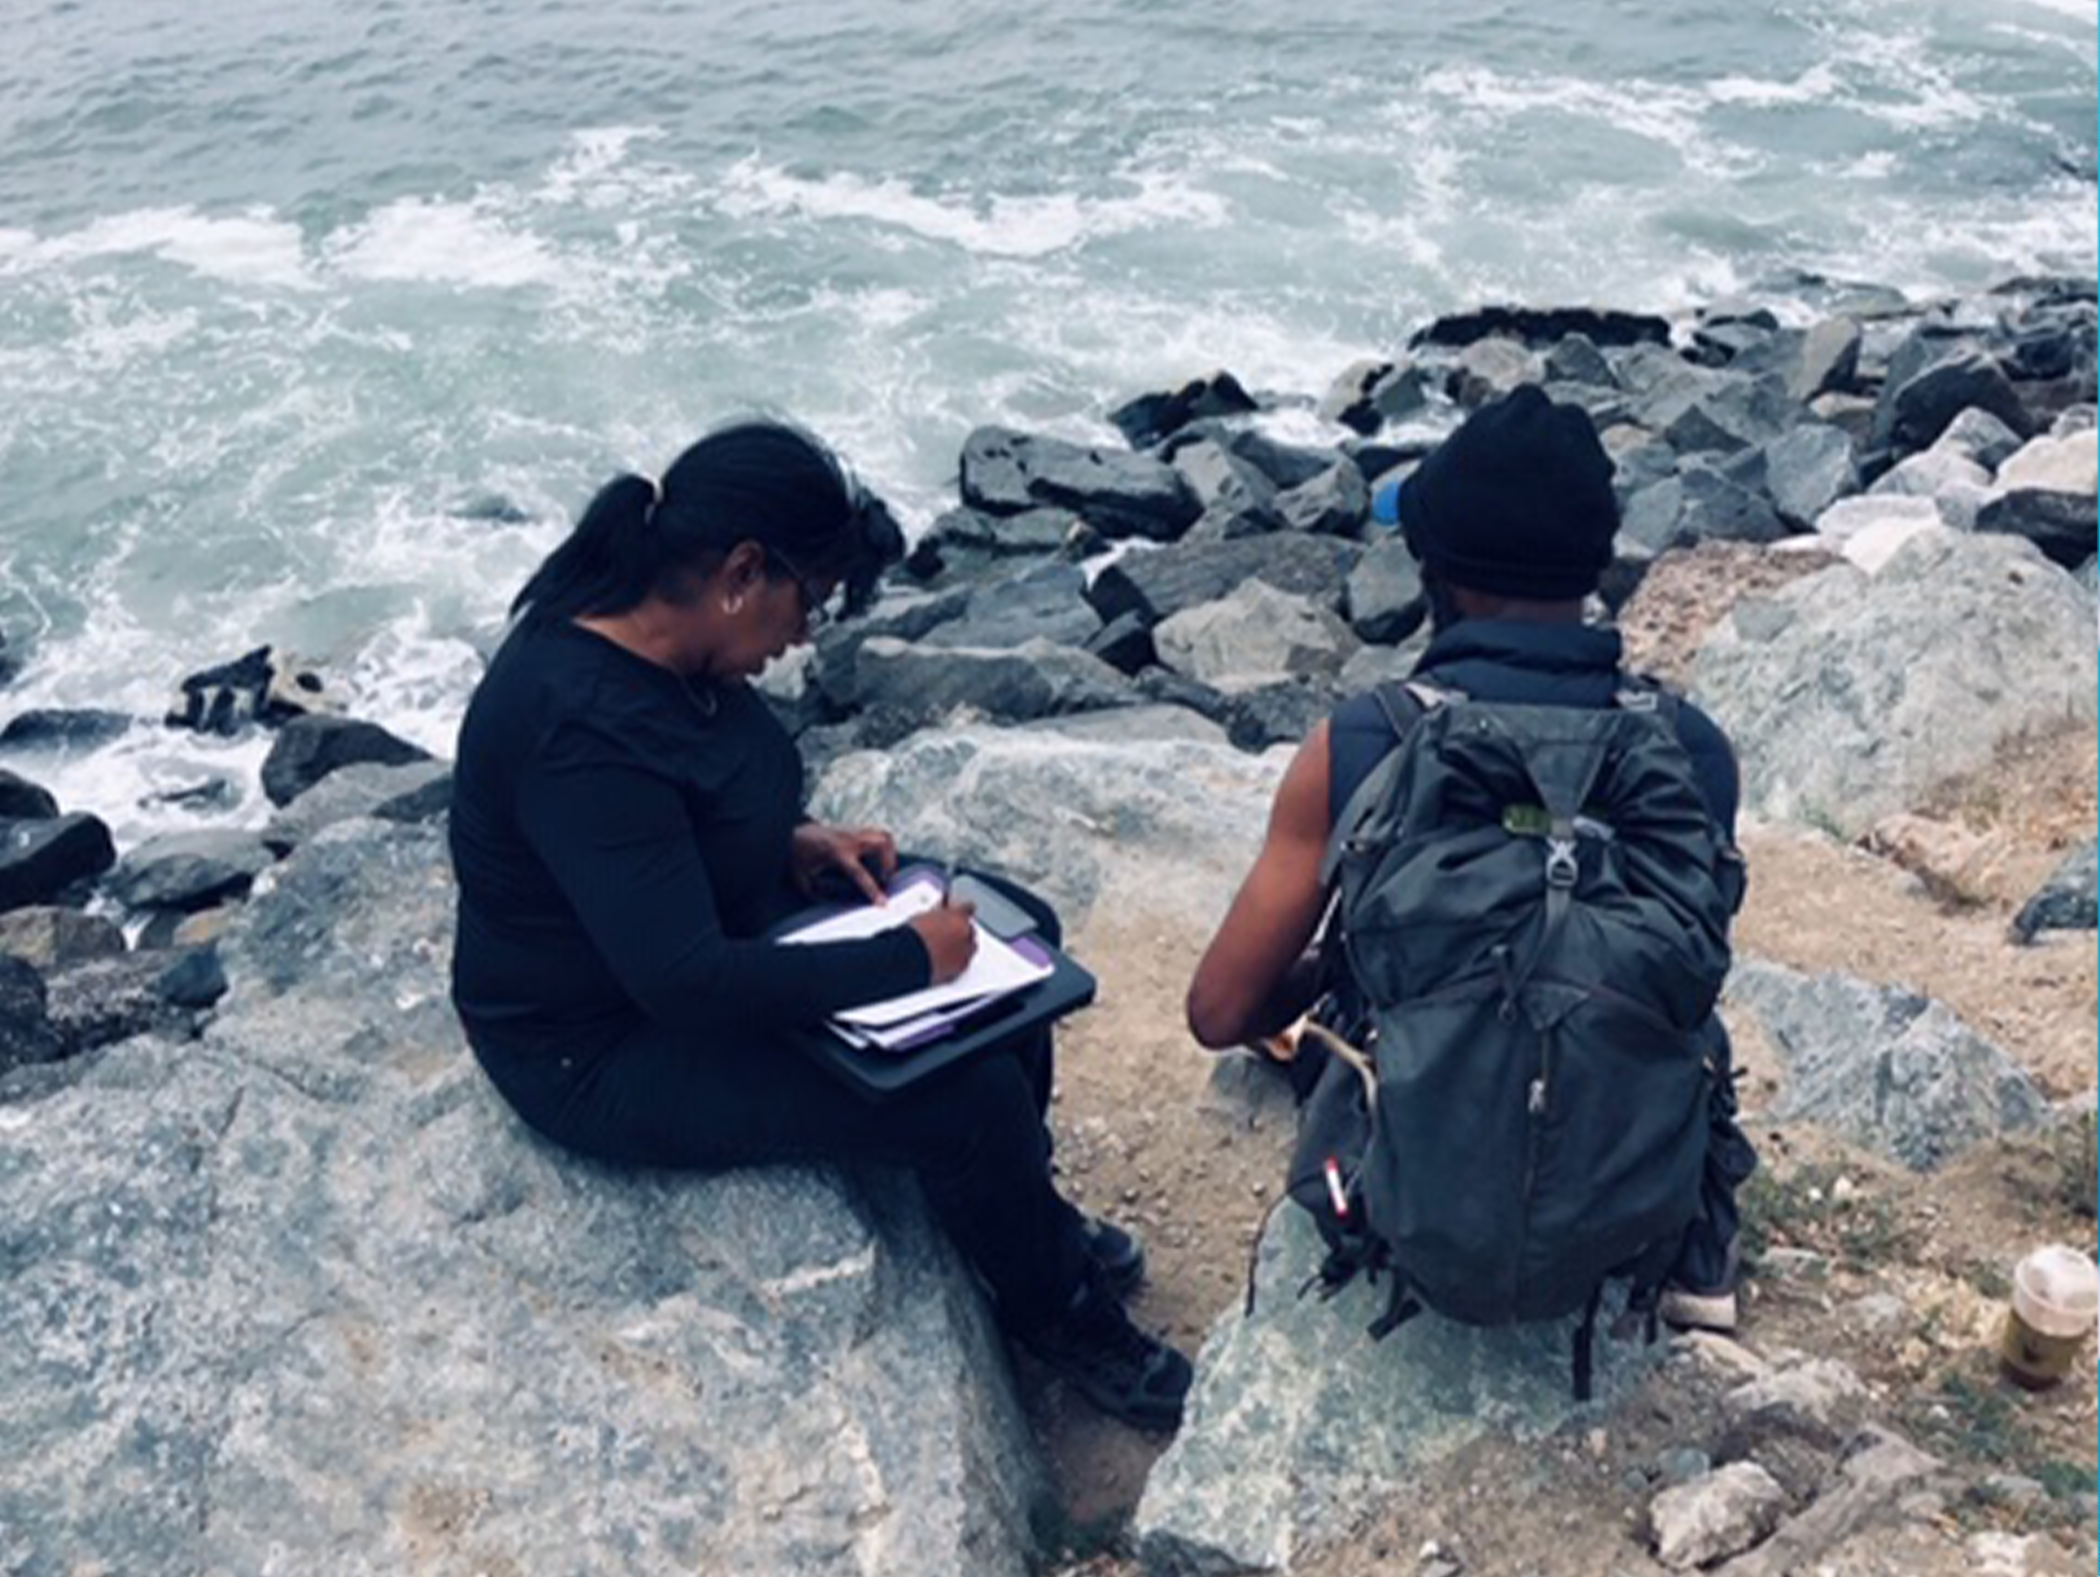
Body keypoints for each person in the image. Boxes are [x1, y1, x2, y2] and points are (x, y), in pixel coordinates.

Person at [448, 416, 1192, 1428]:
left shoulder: (668, 644)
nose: (805, 636)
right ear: (744, 571)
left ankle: (1021, 1211)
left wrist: (793, 840)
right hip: (600, 1043)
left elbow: (675, 816)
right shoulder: (579, 727)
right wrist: (903, 961)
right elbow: (684, 980)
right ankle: (1057, 1309)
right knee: (967, 1093)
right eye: (810, 602)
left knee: (1023, 941)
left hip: (698, 931)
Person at [1184, 385, 1756, 1331]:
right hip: (1624, 1210)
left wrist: (1347, 960)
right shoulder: (1692, 750)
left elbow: (1220, 1010)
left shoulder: (1362, 743)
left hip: (1417, 1201)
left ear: (1434, 572)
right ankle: (1697, 1247)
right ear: (1593, 568)